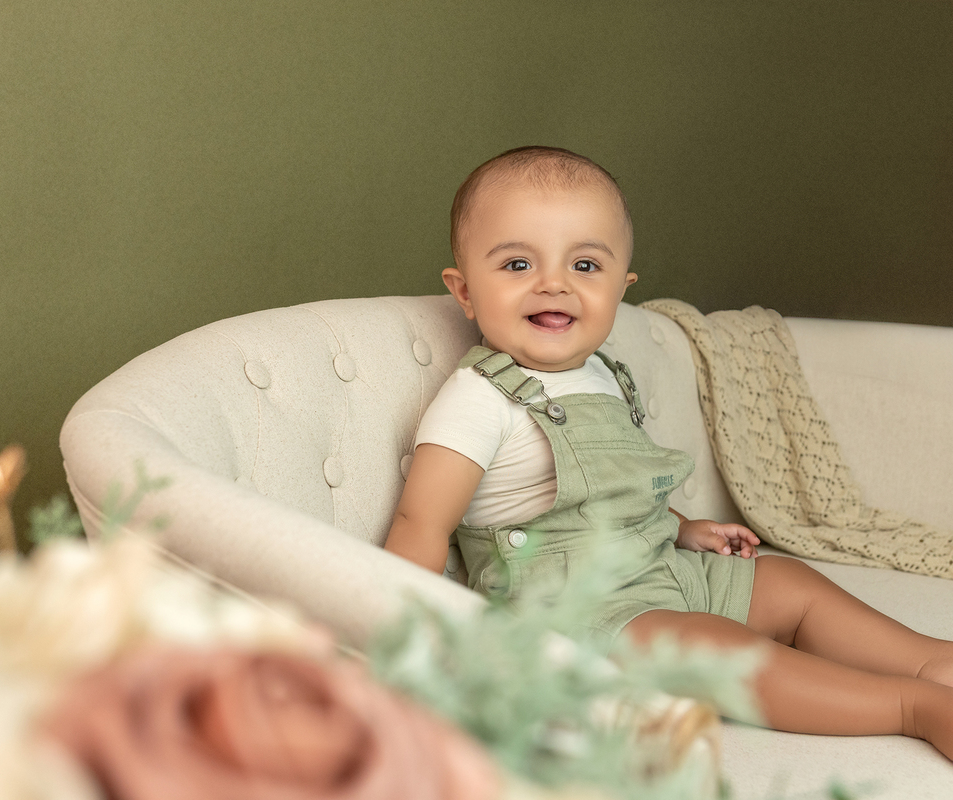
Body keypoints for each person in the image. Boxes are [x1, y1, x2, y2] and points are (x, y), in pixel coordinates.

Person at [383, 146, 953, 758]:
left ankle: (931, 662)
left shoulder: (602, 374)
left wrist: (684, 528)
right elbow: (420, 526)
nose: (554, 283)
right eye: (518, 263)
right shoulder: (479, 400)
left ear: (621, 287)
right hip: (575, 618)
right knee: (713, 650)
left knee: (788, 583)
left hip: (661, 570)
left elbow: (620, 491)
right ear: (465, 292)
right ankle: (910, 707)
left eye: (585, 265)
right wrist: (407, 650)